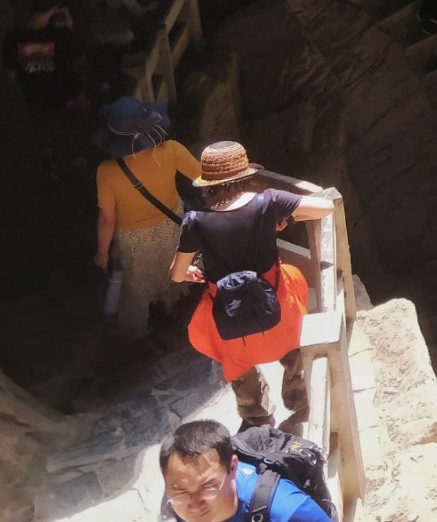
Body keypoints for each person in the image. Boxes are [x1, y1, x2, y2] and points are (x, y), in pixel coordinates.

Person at [172, 142, 334, 429]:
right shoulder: (267, 202)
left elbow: (176, 274)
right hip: (276, 303)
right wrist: (283, 218)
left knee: (237, 364)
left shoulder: (195, 221)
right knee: (293, 345)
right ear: (246, 175)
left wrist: (192, 273)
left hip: (229, 315)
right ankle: (300, 403)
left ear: (208, 184)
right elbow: (326, 206)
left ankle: (257, 417)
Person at [93, 97, 201, 334]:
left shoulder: (107, 172)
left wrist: (102, 254)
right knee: (176, 272)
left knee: (136, 289)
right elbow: (204, 176)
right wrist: (241, 170)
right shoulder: (172, 150)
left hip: (134, 240)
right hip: (173, 226)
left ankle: (135, 335)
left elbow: (107, 220)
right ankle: (173, 311)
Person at [158, 419, 331, 522]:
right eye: (180, 492)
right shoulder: (178, 501)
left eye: (208, 487)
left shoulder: (288, 509)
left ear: (233, 467)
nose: (194, 505)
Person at [5, 0, 83, 148]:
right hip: (62, 94)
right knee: (71, 123)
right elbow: (76, 58)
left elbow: (10, 73)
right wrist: (70, 30)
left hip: (32, 95)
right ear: (55, 7)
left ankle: (47, 158)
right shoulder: (60, 35)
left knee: (43, 131)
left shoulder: (13, 36)